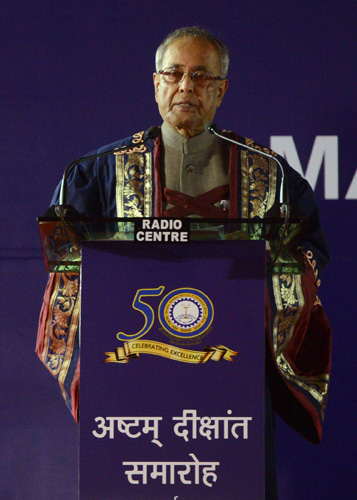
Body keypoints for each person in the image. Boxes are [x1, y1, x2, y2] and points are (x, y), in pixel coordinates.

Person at [36, 26, 332, 499]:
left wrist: (255, 281)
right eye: (173, 75)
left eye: (200, 77)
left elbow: (306, 262)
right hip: (132, 392)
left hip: (231, 396)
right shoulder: (94, 175)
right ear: (156, 84)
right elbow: (66, 274)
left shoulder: (271, 177)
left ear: (221, 90)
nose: (185, 88)